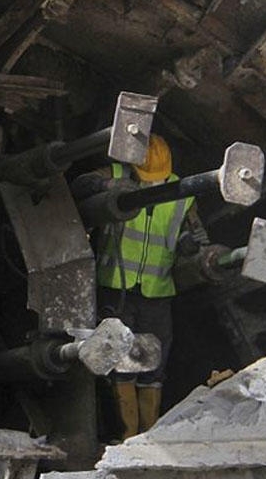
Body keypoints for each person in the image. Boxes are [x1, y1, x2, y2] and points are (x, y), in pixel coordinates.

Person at [71, 134, 209, 441]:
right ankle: (125, 436)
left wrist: (190, 245)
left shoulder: (182, 194)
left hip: (157, 293)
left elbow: (196, 238)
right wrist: (107, 187)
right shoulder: (117, 174)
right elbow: (79, 184)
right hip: (115, 288)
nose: (151, 184)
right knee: (119, 362)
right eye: (146, 179)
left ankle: (149, 436)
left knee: (153, 367)